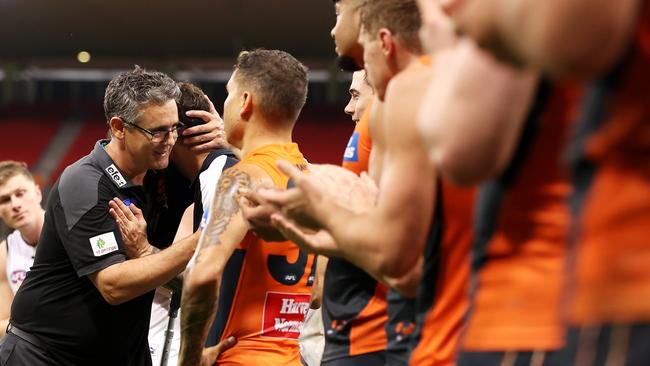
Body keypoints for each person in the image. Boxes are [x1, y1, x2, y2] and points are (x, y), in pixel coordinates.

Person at [257, 1, 475, 365]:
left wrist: (324, 220)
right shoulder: (443, 90)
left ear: (382, 40)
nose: (334, 29)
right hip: (411, 327)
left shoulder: (410, 93)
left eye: (340, 13)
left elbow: (403, 267)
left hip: (398, 332)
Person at [0, 66, 201, 366]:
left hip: (117, 353)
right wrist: (206, 236)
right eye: (158, 131)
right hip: (44, 355)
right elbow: (113, 285)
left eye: (175, 128)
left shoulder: (162, 173)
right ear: (119, 128)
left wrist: (225, 140)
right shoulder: (85, 182)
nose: (170, 140)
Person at [179, 49, 316, 366]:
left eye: (227, 94)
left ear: (245, 101)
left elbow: (202, 275)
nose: (223, 106)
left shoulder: (242, 178)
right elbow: (319, 291)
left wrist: (189, 358)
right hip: (291, 357)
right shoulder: (311, 178)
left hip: (241, 357)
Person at [145, 81, 239, 366]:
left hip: (229, 341)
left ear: (178, 132)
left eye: (162, 129)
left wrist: (141, 253)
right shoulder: (205, 179)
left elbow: (202, 278)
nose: (158, 139)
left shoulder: (220, 174)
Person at [0, 162, 44, 337]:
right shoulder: (4, 253)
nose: (15, 204)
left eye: (20, 193)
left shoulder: (68, 233)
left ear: (38, 193)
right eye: (4, 199)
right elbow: (3, 323)